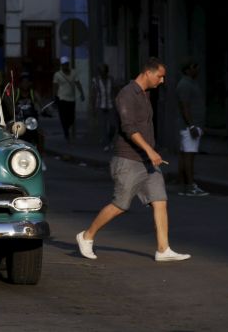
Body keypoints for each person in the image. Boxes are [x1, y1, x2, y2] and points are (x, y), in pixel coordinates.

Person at [76, 58, 191, 263]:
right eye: (160, 76)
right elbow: (129, 128)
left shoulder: (145, 94)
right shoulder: (127, 94)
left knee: (160, 201)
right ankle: (87, 236)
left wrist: (150, 152)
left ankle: (163, 249)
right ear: (148, 73)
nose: (162, 80)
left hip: (147, 160)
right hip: (128, 159)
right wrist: (150, 150)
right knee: (120, 204)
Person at [176, 59, 208, 196]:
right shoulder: (185, 85)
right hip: (189, 127)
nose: (197, 70)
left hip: (190, 126)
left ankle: (184, 186)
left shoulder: (190, 83)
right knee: (189, 156)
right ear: (188, 69)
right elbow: (185, 107)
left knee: (185, 155)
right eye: (195, 67)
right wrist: (192, 126)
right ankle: (190, 187)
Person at [53, 55, 85, 142]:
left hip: (71, 99)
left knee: (71, 117)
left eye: (66, 64)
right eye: (63, 65)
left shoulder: (73, 73)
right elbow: (55, 86)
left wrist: (82, 93)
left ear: (68, 64)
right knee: (63, 117)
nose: (65, 66)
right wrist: (55, 97)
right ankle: (66, 132)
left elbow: (78, 83)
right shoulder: (58, 75)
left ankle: (67, 127)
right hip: (61, 98)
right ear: (61, 65)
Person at [91, 63, 117, 152]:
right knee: (103, 126)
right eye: (101, 72)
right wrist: (93, 108)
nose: (103, 74)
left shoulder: (111, 79)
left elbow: (115, 91)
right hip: (100, 105)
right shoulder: (96, 81)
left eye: (104, 72)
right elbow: (94, 94)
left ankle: (109, 139)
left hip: (110, 105)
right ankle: (106, 143)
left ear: (107, 72)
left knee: (113, 125)